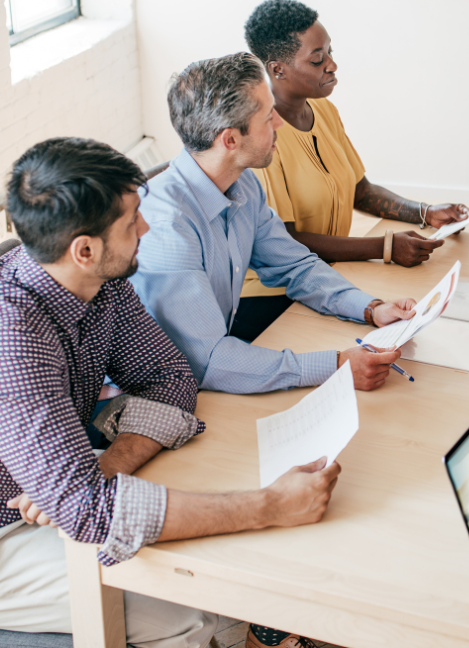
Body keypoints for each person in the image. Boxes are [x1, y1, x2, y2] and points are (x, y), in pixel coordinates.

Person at [0, 138, 343, 645]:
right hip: (7, 527)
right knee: (201, 610)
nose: (146, 227)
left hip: (63, 484)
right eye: (132, 220)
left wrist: (103, 469)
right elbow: (91, 513)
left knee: (226, 546)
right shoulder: (15, 337)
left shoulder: (102, 281)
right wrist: (267, 505)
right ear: (85, 248)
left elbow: (170, 377)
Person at [130, 53, 417, 394]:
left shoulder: (243, 183)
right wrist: (335, 365)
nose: (279, 123)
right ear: (230, 140)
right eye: (268, 117)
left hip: (211, 368)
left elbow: (295, 264)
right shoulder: (168, 227)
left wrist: (371, 309)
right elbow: (207, 361)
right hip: (162, 392)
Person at [244, 0, 469, 276]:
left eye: (330, 52)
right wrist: (384, 247)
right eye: (317, 59)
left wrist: (426, 212)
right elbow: (285, 240)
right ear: (278, 69)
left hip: (328, 274)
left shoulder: (323, 110)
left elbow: (360, 191)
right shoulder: (260, 136)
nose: (332, 65)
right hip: (275, 291)